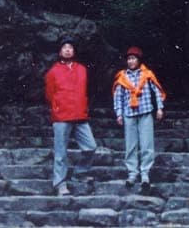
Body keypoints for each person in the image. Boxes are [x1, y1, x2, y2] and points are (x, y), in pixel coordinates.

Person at [43, 37, 99, 196]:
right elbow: (49, 94)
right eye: (64, 47)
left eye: (70, 47)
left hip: (80, 114)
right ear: (60, 51)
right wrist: (57, 107)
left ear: (74, 51)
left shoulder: (82, 69)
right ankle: (60, 184)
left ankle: (80, 172)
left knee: (90, 147)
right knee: (61, 153)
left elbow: (86, 89)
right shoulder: (53, 71)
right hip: (61, 116)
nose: (67, 50)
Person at [112, 45, 165, 191]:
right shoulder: (122, 76)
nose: (131, 61)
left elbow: (157, 91)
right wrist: (119, 114)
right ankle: (132, 173)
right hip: (129, 113)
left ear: (139, 60)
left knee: (147, 144)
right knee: (131, 145)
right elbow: (118, 97)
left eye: (133, 58)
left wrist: (159, 108)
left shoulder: (147, 74)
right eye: (129, 59)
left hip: (145, 111)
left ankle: (145, 173)